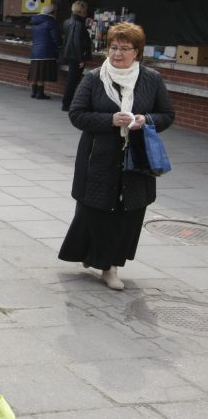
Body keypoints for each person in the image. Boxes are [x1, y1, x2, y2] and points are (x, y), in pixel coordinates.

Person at [58, 22, 174, 290]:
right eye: (113, 47)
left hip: (137, 159)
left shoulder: (151, 80)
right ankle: (101, 261)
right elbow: (76, 114)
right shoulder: (94, 77)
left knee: (127, 212)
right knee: (95, 209)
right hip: (98, 156)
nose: (117, 53)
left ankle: (111, 265)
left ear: (138, 52)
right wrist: (109, 119)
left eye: (124, 48)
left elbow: (167, 115)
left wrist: (146, 119)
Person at [61, 0, 93, 111]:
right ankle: (67, 103)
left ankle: (67, 103)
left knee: (72, 80)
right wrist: (81, 58)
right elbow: (77, 42)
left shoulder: (67, 22)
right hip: (76, 56)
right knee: (73, 81)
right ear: (83, 11)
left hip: (69, 54)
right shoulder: (79, 24)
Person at [28, 3, 61, 100]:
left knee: (35, 72)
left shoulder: (35, 22)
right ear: (51, 13)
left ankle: (34, 92)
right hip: (46, 50)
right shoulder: (50, 22)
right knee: (41, 73)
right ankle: (40, 93)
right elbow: (55, 38)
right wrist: (60, 45)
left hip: (35, 50)